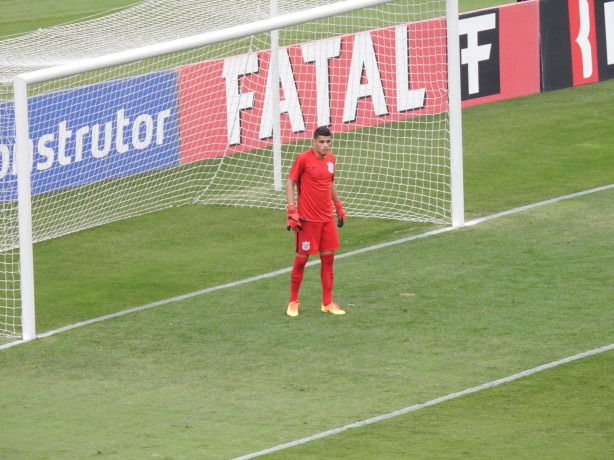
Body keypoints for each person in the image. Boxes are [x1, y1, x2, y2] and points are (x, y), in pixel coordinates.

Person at [285, 126, 347, 317]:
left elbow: (330, 183)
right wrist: (291, 209)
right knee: (302, 260)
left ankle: (327, 303)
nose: (325, 145)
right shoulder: (303, 159)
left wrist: (339, 205)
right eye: (321, 142)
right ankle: (293, 301)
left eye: (328, 142)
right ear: (313, 141)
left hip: (326, 220)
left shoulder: (331, 159)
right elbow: (290, 182)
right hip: (307, 220)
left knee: (328, 259)